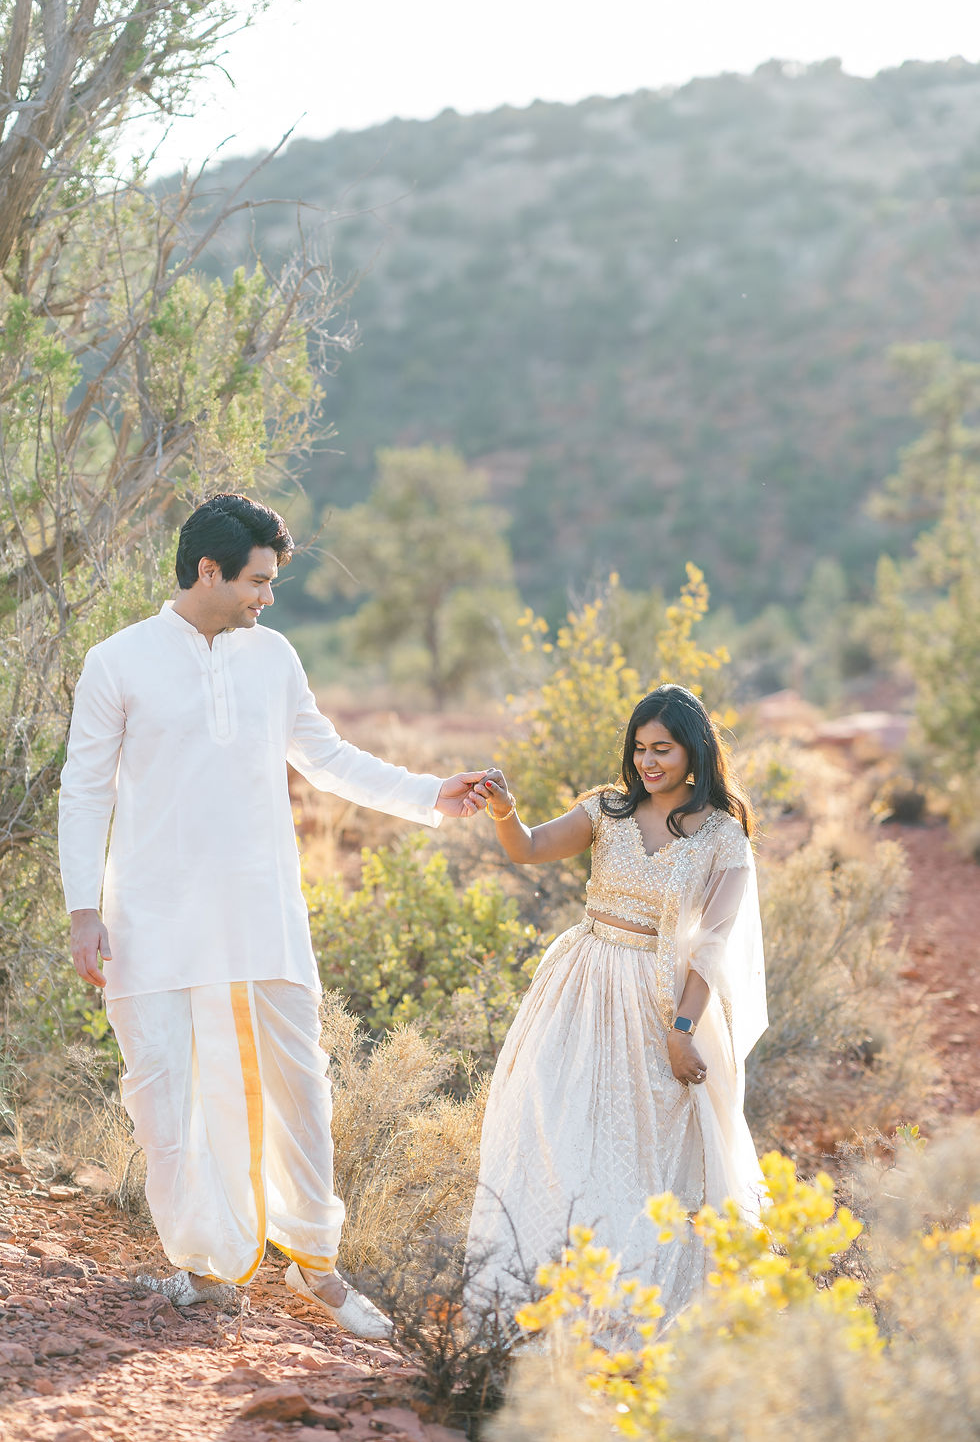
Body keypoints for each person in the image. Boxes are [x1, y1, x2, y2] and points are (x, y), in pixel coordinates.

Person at [59, 493, 490, 1340]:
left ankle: (315, 1268)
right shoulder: (118, 662)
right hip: (153, 921)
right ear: (209, 570)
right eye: (258, 580)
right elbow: (85, 790)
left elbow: (323, 756)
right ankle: (208, 1267)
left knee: (301, 1087)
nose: (267, 597)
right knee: (164, 1098)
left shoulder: (274, 656)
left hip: (262, 914)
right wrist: (84, 911)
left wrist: (425, 795)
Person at [466, 683, 768, 1331]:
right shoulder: (605, 810)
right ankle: (539, 1299)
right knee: (553, 1122)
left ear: (696, 752)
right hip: (580, 984)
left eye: (663, 748)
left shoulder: (723, 838)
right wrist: (504, 811)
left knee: (643, 1154)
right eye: (639, 748)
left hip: (660, 1003)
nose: (649, 762)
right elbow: (528, 848)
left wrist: (682, 1030)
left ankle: (637, 1314)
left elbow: (712, 948)